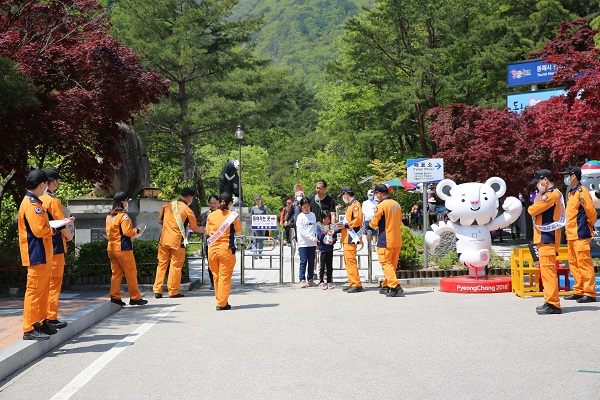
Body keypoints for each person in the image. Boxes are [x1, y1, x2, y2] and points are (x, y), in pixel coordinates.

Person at [19, 169, 73, 340]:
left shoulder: (36, 202)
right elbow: (40, 230)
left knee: (42, 291)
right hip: (36, 254)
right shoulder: (31, 205)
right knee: (35, 291)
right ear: (42, 184)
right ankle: (29, 328)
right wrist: (56, 228)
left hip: (43, 253)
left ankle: (41, 322)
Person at [153, 187, 204, 299]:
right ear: (189, 197)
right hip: (177, 242)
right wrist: (205, 230)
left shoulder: (168, 205)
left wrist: (169, 227)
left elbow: (160, 220)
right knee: (175, 266)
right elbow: (194, 227)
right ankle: (173, 291)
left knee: (161, 265)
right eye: (192, 197)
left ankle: (157, 290)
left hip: (164, 240)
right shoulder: (188, 210)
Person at [40, 168, 73, 330]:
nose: (58, 184)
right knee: (54, 283)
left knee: (43, 284)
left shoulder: (37, 199)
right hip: (56, 246)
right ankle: (51, 317)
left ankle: (42, 316)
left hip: (41, 246)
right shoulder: (53, 201)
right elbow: (61, 224)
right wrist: (70, 236)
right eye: (58, 181)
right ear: (53, 182)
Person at [527, 169, 563, 315]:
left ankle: (553, 303)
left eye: (538, 181)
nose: (537, 185)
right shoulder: (550, 194)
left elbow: (532, 210)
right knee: (546, 271)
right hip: (545, 237)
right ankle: (550, 300)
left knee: (548, 272)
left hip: (547, 237)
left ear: (545, 180)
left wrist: (540, 194)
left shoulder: (550, 195)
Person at [560, 166, 598, 303]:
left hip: (581, 233)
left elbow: (591, 212)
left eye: (567, 176)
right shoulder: (571, 193)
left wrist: (588, 225)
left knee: (584, 264)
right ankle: (579, 290)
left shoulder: (582, 191)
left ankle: (590, 293)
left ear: (573, 176)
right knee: (574, 264)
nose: (566, 178)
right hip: (571, 234)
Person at [105, 192, 148, 306]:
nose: (127, 203)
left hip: (112, 248)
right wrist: (137, 230)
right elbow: (127, 232)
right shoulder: (123, 216)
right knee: (131, 273)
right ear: (122, 202)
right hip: (123, 248)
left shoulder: (109, 216)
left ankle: (115, 296)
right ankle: (135, 297)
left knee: (116, 273)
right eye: (126, 201)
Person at [206, 192, 242, 310]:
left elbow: (207, 232)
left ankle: (219, 298)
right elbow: (238, 233)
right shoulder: (233, 215)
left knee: (216, 276)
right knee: (224, 276)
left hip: (212, 250)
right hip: (226, 249)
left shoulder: (211, 215)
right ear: (230, 203)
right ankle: (222, 303)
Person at [370, 184, 404, 297]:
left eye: (376, 194)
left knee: (385, 263)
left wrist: (371, 225)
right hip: (397, 239)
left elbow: (374, 222)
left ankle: (395, 286)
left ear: (379, 194)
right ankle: (386, 285)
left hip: (386, 239)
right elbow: (400, 220)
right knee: (392, 265)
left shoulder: (381, 205)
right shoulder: (396, 204)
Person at [339, 186, 364, 293]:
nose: (342, 198)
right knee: (348, 261)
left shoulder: (355, 205)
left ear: (346, 194)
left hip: (351, 237)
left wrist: (346, 225)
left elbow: (358, 220)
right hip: (347, 237)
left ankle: (356, 283)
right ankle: (352, 282)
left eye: (342, 195)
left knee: (350, 260)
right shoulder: (350, 205)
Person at [296, 197, 318, 287]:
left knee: (311, 261)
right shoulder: (300, 217)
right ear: (301, 207)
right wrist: (312, 238)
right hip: (303, 243)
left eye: (308, 206)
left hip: (312, 243)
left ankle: (310, 279)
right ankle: (302, 279)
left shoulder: (313, 215)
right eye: (304, 206)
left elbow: (315, 227)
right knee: (303, 261)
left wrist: (316, 237)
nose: (306, 208)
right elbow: (302, 232)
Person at [199, 194, 219, 290]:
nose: (213, 205)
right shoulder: (206, 214)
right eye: (211, 203)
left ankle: (220, 282)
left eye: (215, 203)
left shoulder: (223, 213)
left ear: (218, 202)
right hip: (210, 243)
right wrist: (206, 230)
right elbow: (202, 226)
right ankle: (213, 282)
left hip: (221, 243)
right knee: (211, 263)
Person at [316, 210, 338, 289]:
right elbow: (318, 237)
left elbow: (335, 237)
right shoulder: (319, 226)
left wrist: (333, 241)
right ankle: (321, 281)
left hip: (330, 249)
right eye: (325, 219)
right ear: (322, 219)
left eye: (328, 219)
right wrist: (323, 233)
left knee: (329, 266)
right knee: (322, 266)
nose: (326, 221)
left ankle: (329, 281)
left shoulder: (332, 227)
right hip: (322, 249)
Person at [250, 194, 269, 259]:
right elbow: (251, 217)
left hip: (263, 227)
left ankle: (260, 253)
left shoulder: (265, 208)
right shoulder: (253, 208)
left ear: (261, 200)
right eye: (256, 200)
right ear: (255, 201)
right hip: (255, 227)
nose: (258, 201)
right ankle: (255, 254)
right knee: (254, 240)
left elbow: (267, 216)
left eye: (259, 199)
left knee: (261, 240)